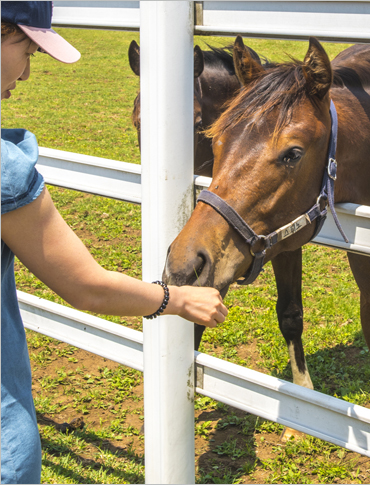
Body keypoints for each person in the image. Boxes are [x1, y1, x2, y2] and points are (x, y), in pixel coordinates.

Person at [1, 3, 228, 483]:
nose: (25, 74)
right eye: (28, 51)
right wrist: (176, 298)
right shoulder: (6, 173)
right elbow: (88, 287)